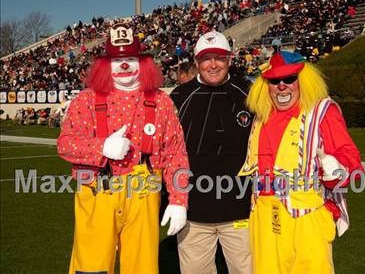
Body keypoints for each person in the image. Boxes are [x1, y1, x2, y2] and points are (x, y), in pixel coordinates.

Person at [57, 23, 190, 274]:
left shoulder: (161, 101)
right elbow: (64, 145)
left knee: (142, 267)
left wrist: (179, 200)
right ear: (105, 65)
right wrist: (101, 147)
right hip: (97, 192)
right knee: (91, 267)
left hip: (144, 192)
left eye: (131, 58)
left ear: (143, 63)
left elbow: (176, 154)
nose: (125, 66)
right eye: (117, 60)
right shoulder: (86, 99)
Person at [239, 51, 363, 274]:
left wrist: (338, 168)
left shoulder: (322, 111)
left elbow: (351, 161)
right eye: (275, 81)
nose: (282, 86)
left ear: (303, 80)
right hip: (263, 214)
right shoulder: (260, 116)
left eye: (290, 78)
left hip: (307, 215)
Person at [170, 31, 253, 274]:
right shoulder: (179, 97)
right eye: (206, 58)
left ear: (230, 59)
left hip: (240, 211)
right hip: (193, 213)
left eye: (220, 57)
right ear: (196, 62)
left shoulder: (249, 94)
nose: (213, 64)